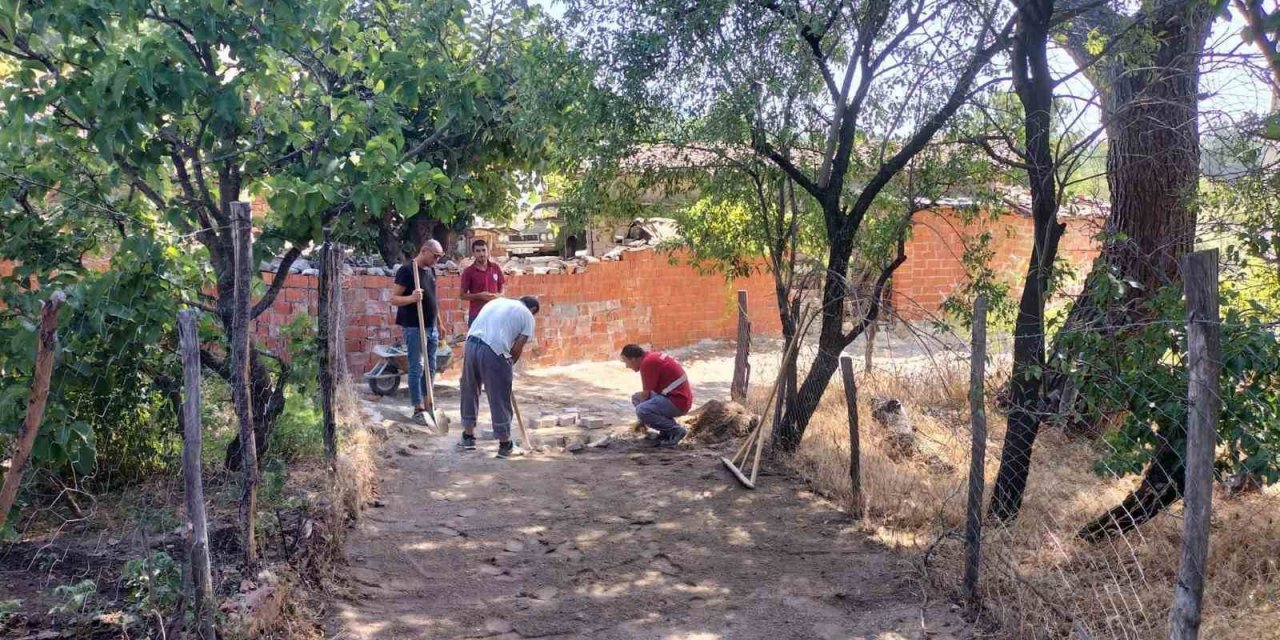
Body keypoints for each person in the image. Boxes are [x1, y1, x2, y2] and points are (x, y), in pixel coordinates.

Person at [458, 295, 541, 458]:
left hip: (471, 344)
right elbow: (517, 347)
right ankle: (505, 444)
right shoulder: (527, 315)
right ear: (532, 310)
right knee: (499, 395)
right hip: (493, 350)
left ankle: (468, 437)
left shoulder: (496, 302)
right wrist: (508, 367)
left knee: (469, 389)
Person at [390, 240, 444, 425]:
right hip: (414, 327)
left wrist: (440, 322)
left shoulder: (431, 271)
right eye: (435, 255)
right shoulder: (406, 271)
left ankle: (429, 403)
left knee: (431, 367)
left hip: (432, 327)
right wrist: (412, 298)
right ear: (424, 250)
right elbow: (394, 299)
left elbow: (433, 299)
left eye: (439, 257)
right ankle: (418, 408)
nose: (437, 260)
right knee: (417, 367)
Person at [621, 344, 693, 448]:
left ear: (633, 359)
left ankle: (676, 431)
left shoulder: (647, 363)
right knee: (636, 398)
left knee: (642, 410)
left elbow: (645, 394)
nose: (627, 366)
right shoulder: (650, 357)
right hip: (675, 397)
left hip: (678, 402)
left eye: (626, 362)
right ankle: (666, 431)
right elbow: (645, 394)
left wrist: (641, 419)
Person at [460, 238, 505, 326]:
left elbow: (502, 290)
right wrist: (479, 296)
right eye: (478, 251)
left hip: (495, 313)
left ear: (488, 251)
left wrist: (497, 296)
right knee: (476, 339)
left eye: (484, 250)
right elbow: (462, 295)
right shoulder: (469, 271)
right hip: (477, 314)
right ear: (473, 253)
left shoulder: (495, 268)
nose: (482, 254)